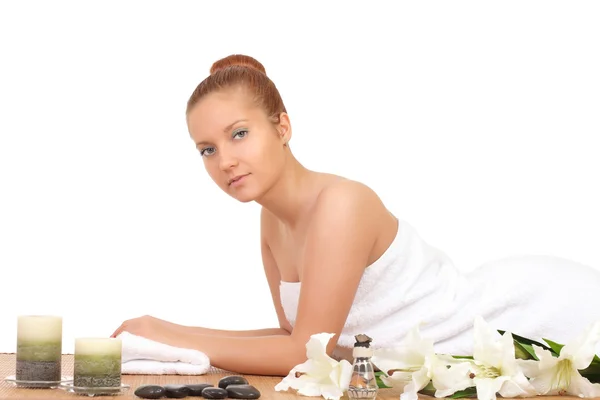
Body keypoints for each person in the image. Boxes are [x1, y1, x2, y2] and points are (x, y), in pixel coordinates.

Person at [111, 54, 600, 377]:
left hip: (536, 314)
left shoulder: (341, 205)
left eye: (239, 133)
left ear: (282, 126)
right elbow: (298, 339)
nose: (225, 161)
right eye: (206, 149)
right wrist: (164, 330)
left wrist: (167, 333)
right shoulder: (271, 221)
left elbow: (309, 353)